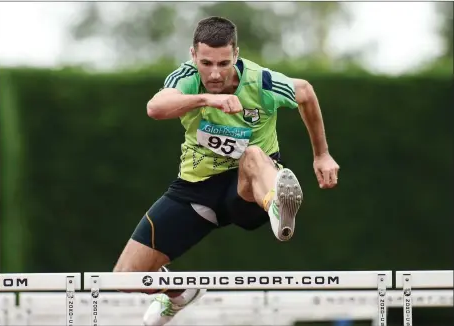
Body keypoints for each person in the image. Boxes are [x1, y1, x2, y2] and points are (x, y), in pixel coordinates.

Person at [113, 16, 340, 326]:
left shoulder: (262, 82)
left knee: (253, 154)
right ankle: (180, 293)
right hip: (196, 188)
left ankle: (278, 203)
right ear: (193, 55)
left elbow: (306, 93)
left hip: (247, 189)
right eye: (206, 63)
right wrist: (209, 99)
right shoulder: (187, 78)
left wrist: (322, 154)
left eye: (223, 62)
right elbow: (156, 108)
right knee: (125, 278)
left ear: (236, 54)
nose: (215, 73)